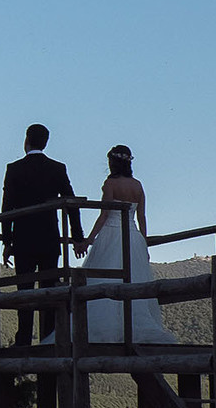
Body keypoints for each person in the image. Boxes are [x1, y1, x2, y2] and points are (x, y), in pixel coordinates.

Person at [0, 124, 79, 408]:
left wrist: (6, 240)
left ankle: (23, 338)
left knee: (24, 290)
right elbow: (70, 204)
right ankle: (48, 336)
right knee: (50, 289)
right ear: (45, 142)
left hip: (23, 238)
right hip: (49, 238)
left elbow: (7, 206)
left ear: (26, 141)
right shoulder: (58, 168)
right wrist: (77, 235)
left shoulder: (14, 169)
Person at [60, 144, 176, 345]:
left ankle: (103, 328)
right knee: (134, 278)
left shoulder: (110, 184)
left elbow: (104, 215)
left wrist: (89, 239)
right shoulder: (138, 185)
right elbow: (141, 216)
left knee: (103, 279)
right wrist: (143, 241)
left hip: (112, 233)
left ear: (112, 163)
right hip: (133, 235)